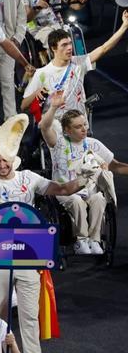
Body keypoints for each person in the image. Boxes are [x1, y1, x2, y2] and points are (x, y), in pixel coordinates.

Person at [0, 144, 85, 353]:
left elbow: (63, 188)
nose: (2, 166)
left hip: (27, 254)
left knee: (29, 314)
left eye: (6, 160)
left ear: (14, 160)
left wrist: (86, 178)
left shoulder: (28, 178)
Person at [40, 90, 128, 255]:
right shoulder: (58, 144)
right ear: (66, 130)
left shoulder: (93, 144)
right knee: (76, 201)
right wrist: (53, 108)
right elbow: (44, 127)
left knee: (99, 199)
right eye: (78, 127)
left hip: (88, 189)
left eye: (85, 125)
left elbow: (115, 166)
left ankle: (94, 240)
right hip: (65, 190)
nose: (84, 129)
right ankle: (81, 241)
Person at [21, 14, 128, 120]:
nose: (69, 48)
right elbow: (24, 105)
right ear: (53, 48)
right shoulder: (42, 74)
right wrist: (38, 92)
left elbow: (104, 48)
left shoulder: (79, 63)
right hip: (56, 128)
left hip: (79, 125)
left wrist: (124, 26)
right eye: (64, 45)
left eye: (70, 44)